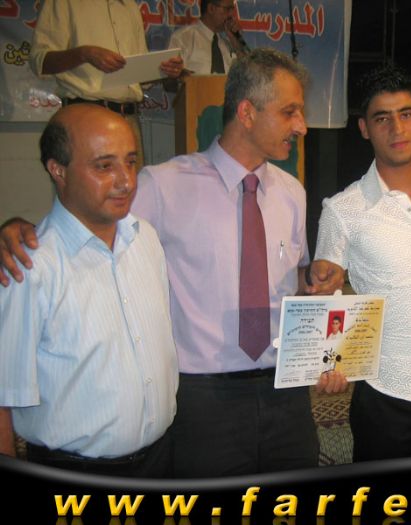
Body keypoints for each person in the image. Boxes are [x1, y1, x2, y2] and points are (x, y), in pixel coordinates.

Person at [0, 48, 345, 477]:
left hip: (286, 392)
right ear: (247, 113)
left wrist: (311, 277)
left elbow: (290, 278)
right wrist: (16, 229)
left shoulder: (292, 192)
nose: (302, 125)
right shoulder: (161, 186)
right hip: (204, 400)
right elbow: (86, 221)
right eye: (290, 111)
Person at [0, 104, 178, 477]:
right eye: (104, 166)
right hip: (73, 471)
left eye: (130, 162)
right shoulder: (30, 266)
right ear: (58, 170)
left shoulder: (145, 238)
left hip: (160, 458)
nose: (126, 181)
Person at [311, 64, 411, 462]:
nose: (396, 128)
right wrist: (331, 362)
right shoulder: (343, 210)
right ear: (364, 128)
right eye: (382, 118)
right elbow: (324, 298)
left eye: (405, 114)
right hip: (386, 396)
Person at [29, 0, 185, 167]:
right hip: (85, 117)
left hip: (128, 119)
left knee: (130, 182)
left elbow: (138, 77)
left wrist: (163, 71)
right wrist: (84, 54)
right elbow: (40, 61)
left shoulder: (130, 6)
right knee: (89, 183)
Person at [169, 0, 249, 76]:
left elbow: (249, 74)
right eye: (227, 9)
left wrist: (237, 42)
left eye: (232, 9)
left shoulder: (229, 43)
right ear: (211, 8)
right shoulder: (183, 38)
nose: (231, 15)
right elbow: (170, 78)